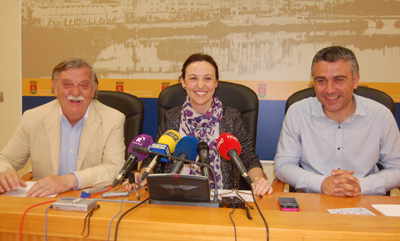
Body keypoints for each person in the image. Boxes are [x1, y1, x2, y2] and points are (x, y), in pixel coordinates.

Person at [128, 53, 273, 196]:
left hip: (221, 200)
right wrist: (143, 174)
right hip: (175, 198)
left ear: (216, 83)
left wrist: (258, 180)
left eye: (208, 78)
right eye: (193, 78)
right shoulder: (171, 117)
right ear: (183, 82)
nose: (201, 85)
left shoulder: (231, 117)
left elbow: (248, 159)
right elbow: (154, 158)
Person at [274, 46, 400, 196]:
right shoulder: (298, 112)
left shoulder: (381, 115)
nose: (329, 90)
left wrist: (361, 186)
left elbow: (396, 167)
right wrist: (321, 183)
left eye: (338, 80)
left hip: (366, 201)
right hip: (312, 202)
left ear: (355, 81)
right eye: (321, 81)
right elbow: (283, 165)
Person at [0, 58, 126, 197]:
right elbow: (5, 159)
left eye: (84, 85)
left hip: (92, 201)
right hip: (43, 202)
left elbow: (115, 168)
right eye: (67, 84)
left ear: (93, 90)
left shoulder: (113, 118)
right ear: (55, 87)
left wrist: (69, 180)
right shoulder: (33, 118)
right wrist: (3, 171)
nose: (76, 92)